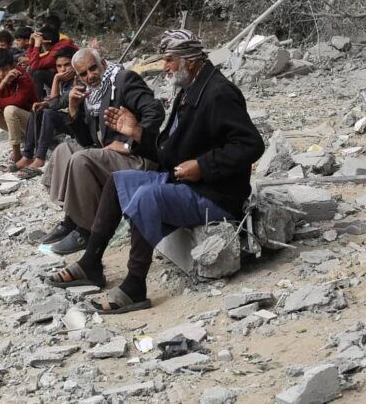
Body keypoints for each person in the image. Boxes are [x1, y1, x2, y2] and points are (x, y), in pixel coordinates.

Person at [46, 30, 265, 314]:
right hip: (186, 181)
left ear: (191, 60)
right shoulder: (189, 90)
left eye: (170, 61)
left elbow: (251, 144)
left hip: (216, 194)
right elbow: (170, 151)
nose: (165, 68)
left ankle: (135, 285)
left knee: (149, 197)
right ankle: (91, 262)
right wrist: (136, 133)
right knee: (117, 181)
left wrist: (203, 166)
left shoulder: (219, 93)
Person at [38, 48, 165, 255]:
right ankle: (72, 218)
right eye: (83, 74)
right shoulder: (91, 94)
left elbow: (154, 111)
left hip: (136, 156)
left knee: (81, 159)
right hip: (108, 153)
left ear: (103, 64)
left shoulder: (123, 80)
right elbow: (87, 141)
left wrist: (127, 143)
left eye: (93, 68)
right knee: (63, 150)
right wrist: (73, 110)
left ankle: (88, 229)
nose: (90, 76)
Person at [15, 46, 76, 179]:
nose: (63, 69)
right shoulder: (65, 80)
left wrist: (56, 79)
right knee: (38, 109)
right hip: (71, 118)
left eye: (67, 65)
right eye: (59, 66)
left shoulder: (79, 79)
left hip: (80, 123)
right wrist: (44, 103)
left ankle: (40, 158)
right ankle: (27, 155)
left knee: (48, 113)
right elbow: (56, 102)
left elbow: (55, 104)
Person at [28, 20, 77, 100]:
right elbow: (32, 62)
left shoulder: (58, 51)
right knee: (32, 70)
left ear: (46, 42)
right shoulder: (57, 46)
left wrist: (36, 46)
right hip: (60, 76)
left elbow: (34, 65)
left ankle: (37, 101)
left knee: (38, 74)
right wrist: (31, 44)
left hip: (68, 79)